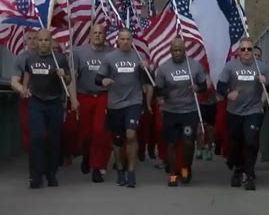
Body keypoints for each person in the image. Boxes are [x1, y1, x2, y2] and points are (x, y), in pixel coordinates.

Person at [216, 37, 269, 191]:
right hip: (234, 111)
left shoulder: (261, 67)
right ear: (239, 52)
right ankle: (237, 169)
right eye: (243, 49)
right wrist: (228, 94)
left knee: (251, 141)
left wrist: (266, 83)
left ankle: (249, 174)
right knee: (236, 143)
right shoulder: (230, 67)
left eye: (249, 49)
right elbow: (220, 86)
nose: (247, 52)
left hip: (253, 110)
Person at [95, 28, 149, 188]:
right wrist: (104, 81)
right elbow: (98, 78)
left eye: (128, 39)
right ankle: (120, 169)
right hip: (115, 104)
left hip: (134, 101)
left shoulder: (139, 56)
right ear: (117, 40)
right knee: (118, 141)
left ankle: (131, 173)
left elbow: (147, 80)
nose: (125, 42)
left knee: (131, 135)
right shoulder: (110, 58)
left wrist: (146, 68)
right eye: (122, 39)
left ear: (132, 41)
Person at [154, 38, 207, 187]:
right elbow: (158, 90)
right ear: (170, 51)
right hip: (171, 111)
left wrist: (197, 88)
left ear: (185, 51)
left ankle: (185, 168)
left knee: (188, 142)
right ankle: (173, 173)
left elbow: (203, 85)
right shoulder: (163, 68)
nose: (177, 53)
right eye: (175, 50)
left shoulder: (194, 66)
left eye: (180, 50)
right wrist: (166, 92)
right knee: (171, 143)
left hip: (189, 111)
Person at [22, 29, 71, 189]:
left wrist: (63, 75)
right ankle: (35, 175)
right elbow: (27, 78)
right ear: (36, 41)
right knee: (37, 137)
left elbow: (69, 79)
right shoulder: (30, 59)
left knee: (53, 139)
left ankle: (51, 173)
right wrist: (24, 89)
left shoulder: (59, 59)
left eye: (46, 40)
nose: (43, 43)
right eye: (40, 40)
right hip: (36, 102)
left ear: (51, 42)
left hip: (54, 102)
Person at [69, 25, 113, 183]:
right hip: (84, 95)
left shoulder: (111, 53)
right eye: (95, 33)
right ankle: (86, 155)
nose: (97, 35)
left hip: (103, 96)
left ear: (105, 35)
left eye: (101, 33)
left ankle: (97, 167)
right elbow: (72, 79)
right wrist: (73, 99)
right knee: (86, 134)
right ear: (89, 35)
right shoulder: (78, 53)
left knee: (101, 132)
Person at [10, 29, 37, 153]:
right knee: (27, 128)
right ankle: (32, 154)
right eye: (29, 38)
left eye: (35, 38)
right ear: (25, 41)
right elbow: (14, 81)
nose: (32, 41)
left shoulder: (48, 56)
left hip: (45, 96)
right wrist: (24, 90)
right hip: (28, 98)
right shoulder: (20, 59)